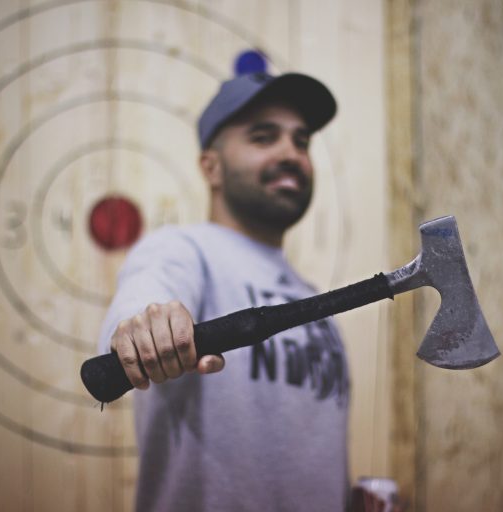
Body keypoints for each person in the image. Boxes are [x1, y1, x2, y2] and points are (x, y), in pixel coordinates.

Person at [98, 71, 349, 511]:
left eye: (302, 141)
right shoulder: (184, 249)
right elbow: (144, 298)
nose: (291, 154)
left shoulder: (312, 298)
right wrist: (141, 329)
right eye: (263, 137)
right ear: (211, 166)